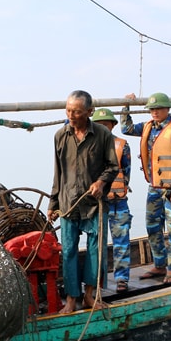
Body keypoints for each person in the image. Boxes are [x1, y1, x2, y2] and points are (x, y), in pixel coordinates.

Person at [47, 90, 120, 313]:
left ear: (89, 112)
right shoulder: (60, 136)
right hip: (69, 203)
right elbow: (58, 172)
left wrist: (100, 182)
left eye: (77, 111)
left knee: (95, 250)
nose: (71, 115)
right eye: (69, 110)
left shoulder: (102, 135)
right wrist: (53, 204)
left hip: (94, 204)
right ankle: (71, 298)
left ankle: (89, 295)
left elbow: (113, 167)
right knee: (67, 251)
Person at [121, 92, 171, 284]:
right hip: (154, 187)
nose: (154, 112)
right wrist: (125, 107)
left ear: (168, 109)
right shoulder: (148, 127)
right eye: (152, 109)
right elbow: (126, 128)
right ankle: (160, 264)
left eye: (158, 109)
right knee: (152, 226)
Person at [91, 107, 132, 293]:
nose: (102, 128)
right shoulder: (88, 146)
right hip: (95, 203)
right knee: (96, 242)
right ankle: (96, 281)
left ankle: (122, 279)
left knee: (121, 240)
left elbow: (127, 172)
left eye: (106, 125)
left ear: (113, 125)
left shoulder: (122, 145)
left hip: (118, 201)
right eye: (98, 125)